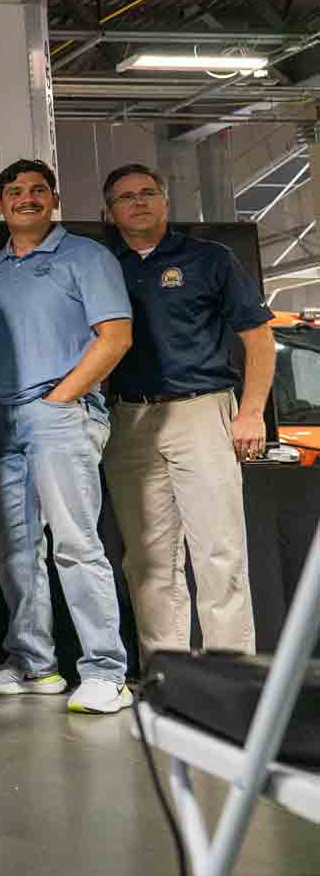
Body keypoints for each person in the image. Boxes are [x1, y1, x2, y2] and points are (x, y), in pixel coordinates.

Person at [0, 159, 135, 714]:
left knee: (75, 544)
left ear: (54, 199)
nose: (26, 198)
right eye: (14, 191)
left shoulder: (87, 257)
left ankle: (106, 672)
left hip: (61, 415)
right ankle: (33, 664)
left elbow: (115, 338)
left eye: (37, 190)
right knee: (11, 550)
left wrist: (60, 398)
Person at [102, 162, 273, 659]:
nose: (138, 202)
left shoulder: (208, 259)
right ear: (111, 212)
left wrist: (252, 413)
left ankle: (229, 671)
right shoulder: (103, 266)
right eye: (125, 197)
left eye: (147, 193)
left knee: (219, 551)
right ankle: (166, 672)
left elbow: (259, 338)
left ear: (165, 201)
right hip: (129, 420)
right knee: (148, 558)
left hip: (202, 412)